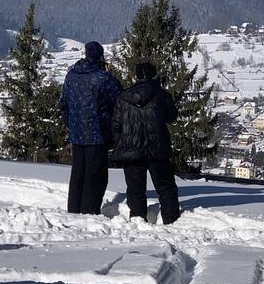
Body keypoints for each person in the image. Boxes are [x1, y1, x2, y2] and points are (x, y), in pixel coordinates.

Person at [111, 62, 180, 224]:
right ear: (153, 75)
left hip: (131, 149)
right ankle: (171, 219)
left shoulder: (123, 97)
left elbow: (115, 125)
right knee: (165, 186)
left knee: (135, 188)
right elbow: (172, 117)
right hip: (157, 147)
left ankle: (137, 218)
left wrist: (121, 143)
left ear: (137, 76)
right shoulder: (162, 95)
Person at [60, 41, 122, 215]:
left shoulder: (71, 75)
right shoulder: (102, 77)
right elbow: (119, 97)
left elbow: (63, 103)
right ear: (101, 56)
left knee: (78, 172)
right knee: (95, 174)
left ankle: (74, 208)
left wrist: (71, 124)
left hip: (76, 132)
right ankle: (89, 211)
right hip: (97, 132)